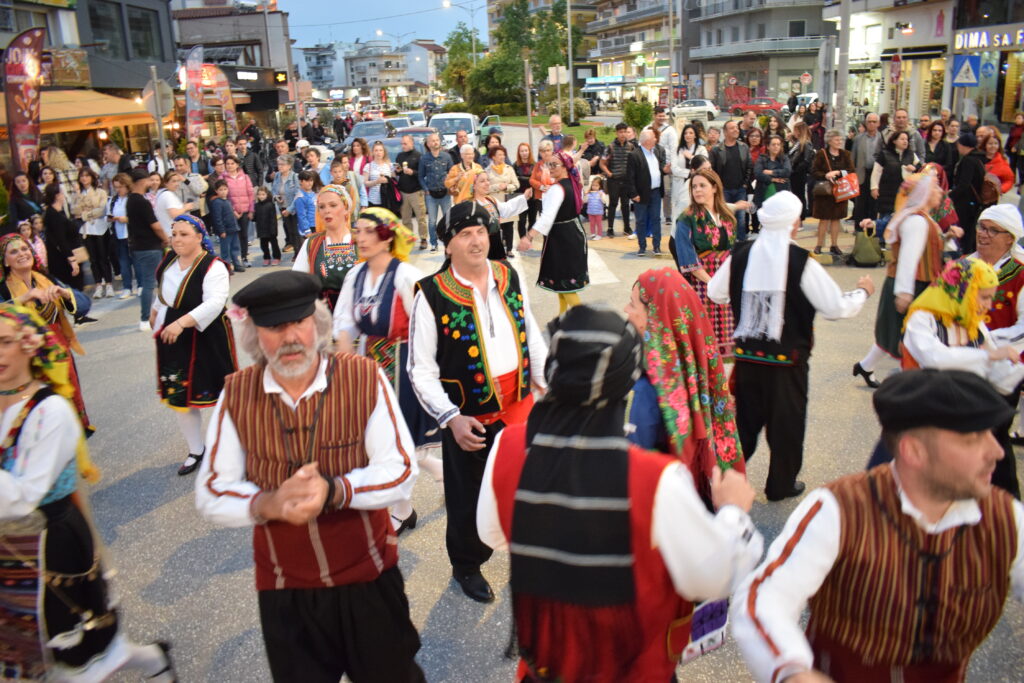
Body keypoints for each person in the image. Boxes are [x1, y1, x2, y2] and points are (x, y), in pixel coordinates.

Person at [477, 304, 762, 682]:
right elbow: (712, 577)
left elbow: (492, 534)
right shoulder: (658, 480)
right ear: (625, 384)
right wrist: (734, 512)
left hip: (545, 667)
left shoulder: (507, 447)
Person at [196, 270, 423, 683]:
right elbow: (211, 491)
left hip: (368, 580)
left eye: (299, 322)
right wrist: (267, 503)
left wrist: (335, 490)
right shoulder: (237, 392)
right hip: (286, 590)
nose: (289, 338)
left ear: (316, 323)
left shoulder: (362, 376)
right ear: (254, 335)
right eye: (273, 328)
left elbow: (401, 469)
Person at [732, 368, 1024, 682]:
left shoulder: (1006, 518)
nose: (996, 452)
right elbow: (765, 598)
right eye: (972, 439)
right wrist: (794, 672)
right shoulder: (839, 508)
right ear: (914, 451)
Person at [0, 303, 176, 682]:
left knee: (75, 654)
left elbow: (24, 496)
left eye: (5, 342)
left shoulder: (50, 411)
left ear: (29, 346)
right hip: (9, 544)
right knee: (34, 652)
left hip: (49, 543)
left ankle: (150, 660)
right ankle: (151, 660)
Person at [409, 201, 548, 603]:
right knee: (469, 498)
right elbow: (420, 370)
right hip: (469, 419)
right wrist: (451, 418)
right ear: (448, 244)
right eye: (465, 234)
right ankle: (467, 565)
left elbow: (530, 334)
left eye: (482, 232)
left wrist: (548, 388)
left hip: (519, 407)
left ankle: (526, 554)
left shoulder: (508, 274)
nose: (476, 241)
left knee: (524, 487)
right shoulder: (431, 294)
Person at [708, 191, 874, 500]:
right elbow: (836, 308)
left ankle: (722, 480)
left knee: (744, 424)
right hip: (788, 363)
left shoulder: (741, 254)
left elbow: (715, 293)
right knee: (787, 426)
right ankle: (780, 485)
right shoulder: (800, 262)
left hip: (748, 358)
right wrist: (862, 292)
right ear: (793, 224)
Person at [333, 207, 441, 533]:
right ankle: (437, 473)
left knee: (394, 441)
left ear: (387, 236)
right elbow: (345, 323)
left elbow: (426, 327)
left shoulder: (406, 276)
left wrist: (427, 375)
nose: (360, 238)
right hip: (368, 363)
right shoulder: (356, 275)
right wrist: (344, 365)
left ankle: (402, 510)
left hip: (403, 366)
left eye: (369, 231)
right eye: (358, 231)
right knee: (380, 439)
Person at [899, 257, 1024, 497]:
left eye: (990, 298)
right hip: (925, 421)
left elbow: (997, 379)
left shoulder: (973, 323)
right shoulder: (922, 319)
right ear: (963, 290)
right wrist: (987, 356)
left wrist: (1015, 369)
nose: (988, 305)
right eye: (984, 297)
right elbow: (934, 358)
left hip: (962, 420)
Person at [150, 215, 235, 476]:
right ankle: (196, 450)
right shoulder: (169, 261)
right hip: (173, 338)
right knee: (180, 395)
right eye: (174, 234)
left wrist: (181, 323)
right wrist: (155, 312)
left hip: (207, 337)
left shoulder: (213, 266)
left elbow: (215, 302)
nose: (177, 239)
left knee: (221, 394)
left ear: (199, 237)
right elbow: (162, 293)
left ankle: (232, 447)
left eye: (184, 234)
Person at [853, 171, 946, 386]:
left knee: (896, 332)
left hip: (915, 283)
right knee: (907, 337)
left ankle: (866, 367)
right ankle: (909, 386)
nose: (940, 191)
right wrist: (904, 293)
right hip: (912, 284)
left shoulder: (920, 217)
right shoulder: (917, 221)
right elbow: (908, 259)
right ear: (923, 193)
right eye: (934, 188)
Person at [0, 233, 94, 433]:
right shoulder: (4, 290)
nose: (22, 254)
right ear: (5, 261)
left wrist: (65, 293)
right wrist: (23, 299)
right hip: (26, 361)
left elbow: (85, 306)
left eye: (25, 249)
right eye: (14, 252)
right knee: (38, 415)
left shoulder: (47, 280)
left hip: (59, 354)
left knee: (65, 405)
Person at [972, 204, 1024, 491]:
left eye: (993, 230)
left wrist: (987, 343)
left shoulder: (1020, 274)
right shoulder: (963, 266)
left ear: (1010, 239)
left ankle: (1007, 501)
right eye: (982, 227)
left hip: (1004, 369)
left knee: (993, 437)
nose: (984, 234)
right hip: (964, 365)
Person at [673, 168, 747, 358]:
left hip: (725, 280)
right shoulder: (686, 218)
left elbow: (732, 250)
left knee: (727, 332)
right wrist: (712, 283)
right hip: (701, 283)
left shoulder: (727, 216)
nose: (697, 190)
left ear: (714, 188)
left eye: (702, 186)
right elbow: (688, 259)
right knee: (703, 338)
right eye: (694, 187)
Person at [519, 150, 589, 312]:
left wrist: (529, 236)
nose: (550, 168)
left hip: (563, 238)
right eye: (549, 164)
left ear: (565, 167)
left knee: (565, 283)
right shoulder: (573, 183)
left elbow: (547, 217)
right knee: (562, 282)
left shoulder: (557, 189)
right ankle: (561, 317)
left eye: (554, 165)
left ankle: (584, 320)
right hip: (573, 233)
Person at [292, 184, 358, 309]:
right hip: (324, 314)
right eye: (321, 207)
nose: (326, 210)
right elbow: (297, 282)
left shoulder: (360, 239)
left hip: (357, 312)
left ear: (346, 208)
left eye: (333, 205)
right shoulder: (312, 243)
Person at [810, 128, 856, 256]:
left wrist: (838, 172)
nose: (839, 142)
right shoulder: (821, 154)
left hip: (840, 190)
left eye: (841, 139)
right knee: (823, 219)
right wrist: (825, 175)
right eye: (836, 140)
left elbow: (851, 170)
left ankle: (834, 245)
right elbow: (814, 171)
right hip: (825, 191)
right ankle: (819, 245)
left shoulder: (846, 154)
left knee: (836, 218)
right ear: (829, 141)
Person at [624, 129, 670, 256]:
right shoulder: (634, 155)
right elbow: (630, 177)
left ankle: (657, 246)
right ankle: (642, 247)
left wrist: (665, 170)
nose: (656, 139)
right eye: (653, 137)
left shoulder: (657, 152)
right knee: (641, 220)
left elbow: (659, 170)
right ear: (647, 141)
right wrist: (633, 194)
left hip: (655, 192)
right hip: (641, 194)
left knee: (656, 219)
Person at [74, 168, 114, 299]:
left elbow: (101, 210)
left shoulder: (100, 192)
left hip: (100, 227)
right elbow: (75, 211)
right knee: (93, 259)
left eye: (87, 176)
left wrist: (86, 214)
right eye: (82, 176)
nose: (84, 178)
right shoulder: (78, 194)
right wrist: (86, 212)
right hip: (86, 229)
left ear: (92, 177)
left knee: (103, 258)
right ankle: (98, 284)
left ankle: (109, 284)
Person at [710, 121, 753, 241]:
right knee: (725, 217)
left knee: (741, 219)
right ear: (725, 132)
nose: (736, 130)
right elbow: (712, 170)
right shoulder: (716, 150)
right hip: (723, 190)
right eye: (732, 128)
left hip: (740, 189)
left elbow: (749, 166)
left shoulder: (743, 147)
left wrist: (745, 184)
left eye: (737, 128)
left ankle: (741, 244)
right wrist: (717, 187)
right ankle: (726, 243)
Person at [41, 184, 85, 295]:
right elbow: (61, 240)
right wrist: (72, 260)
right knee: (73, 290)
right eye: (62, 193)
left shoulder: (59, 212)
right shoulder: (53, 215)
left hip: (69, 253)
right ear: (57, 196)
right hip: (63, 259)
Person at [872, 129, 922, 225]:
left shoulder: (911, 154)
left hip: (905, 192)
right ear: (894, 141)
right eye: (902, 139)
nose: (905, 141)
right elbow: (876, 171)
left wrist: (914, 167)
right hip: (887, 191)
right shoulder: (884, 154)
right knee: (885, 218)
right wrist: (874, 187)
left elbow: (920, 167)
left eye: (906, 139)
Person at [951, 132, 988, 254]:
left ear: (964, 145)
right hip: (974, 202)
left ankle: (962, 256)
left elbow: (964, 184)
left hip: (966, 203)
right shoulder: (979, 158)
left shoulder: (968, 161)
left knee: (964, 233)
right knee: (969, 232)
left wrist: (950, 195)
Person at [419, 132, 454, 253]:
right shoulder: (424, 158)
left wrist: (450, 186)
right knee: (432, 221)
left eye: (437, 140)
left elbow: (452, 173)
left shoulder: (447, 157)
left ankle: (448, 243)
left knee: (447, 220)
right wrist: (426, 189)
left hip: (445, 194)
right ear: (428, 144)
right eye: (432, 141)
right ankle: (434, 244)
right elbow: (420, 176)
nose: (435, 142)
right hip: (431, 195)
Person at [600, 122, 635, 237]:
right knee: (613, 203)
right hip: (614, 180)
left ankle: (627, 227)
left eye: (625, 132)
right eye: (620, 132)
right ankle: (610, 228)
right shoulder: (610, 147)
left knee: (625, 204)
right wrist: (609, 174)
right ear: (616, 133)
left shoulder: (631, 146)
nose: (623, 134)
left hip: (626, 181)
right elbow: (602, 163)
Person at [484, 146, 520, 258]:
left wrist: (507, 187)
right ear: (493, 157)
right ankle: (497, 250)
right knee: (495, 227)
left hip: (507, 200)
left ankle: (509, 249)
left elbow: (516, 184)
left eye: (503, 154)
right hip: (494, 201)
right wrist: (496, 187)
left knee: (509, 226)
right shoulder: (487, 170)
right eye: (499, 154)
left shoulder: (509, 169)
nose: (502, 157)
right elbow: (485, 188)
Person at [644, 106, 678, 223]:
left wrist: (672, 164)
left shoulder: (670, 130)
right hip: (650, 165)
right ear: (654, 116)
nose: (662, 118)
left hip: (666, 164)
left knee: (667, 191)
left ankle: (668, 215)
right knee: (651, 189)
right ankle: (652, 214)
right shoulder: (647, 129)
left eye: (663, 116)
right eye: (659, 116)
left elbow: (674, 147)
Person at [850, 113, 883, 225]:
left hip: (877, 175)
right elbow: (853, 157)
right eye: (869, 121)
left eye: (874, 122)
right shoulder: (858, 139)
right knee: (860, 204)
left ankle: (871, 229)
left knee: (874, 204)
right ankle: (859, 228)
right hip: (862, 174)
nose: (871, 124)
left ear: (878, 123)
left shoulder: (882, 138)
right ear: (865, 123)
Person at [394, 135, 427, 249]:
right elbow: (398, 172)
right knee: (406, 219)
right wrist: (397, 171)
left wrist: (412, 172)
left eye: (405, 143)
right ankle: (409, 238)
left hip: (416, 191)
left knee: (420, 218)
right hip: (403, 191)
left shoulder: (419, 156)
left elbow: (423, 173)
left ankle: (423, 239)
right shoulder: (400, 156)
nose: (403, 146)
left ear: (412, 143)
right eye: (402, 144)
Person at [223, 155, 255, 268]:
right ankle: (234, 258)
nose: (230, 166)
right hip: (231, 212)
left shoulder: (245, 177)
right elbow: (224, 197)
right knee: (232, 236)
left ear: (237, 164)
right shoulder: (223, 178)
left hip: (245, 211)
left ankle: (244, 257)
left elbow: (250, 194)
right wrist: (233, 211)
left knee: (244, 235)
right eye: (228, 164)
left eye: (232, 163)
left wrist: (251, 210)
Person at [672, 124, 708, 220]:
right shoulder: (677, 149)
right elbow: (674, 169)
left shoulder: (701, 149)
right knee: (680, 214)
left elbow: (704, 166)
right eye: (685, 133)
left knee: (698, 213)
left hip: (697, 185)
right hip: (680, 185)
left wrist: (691, 157)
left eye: (691, 133)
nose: (688, 135)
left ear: (695, 135)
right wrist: (690, 173)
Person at [107, 173, 135, 299]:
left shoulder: (132, 198)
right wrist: (112, 218)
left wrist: (127, 219)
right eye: (116, 187)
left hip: (132, 234)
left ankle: (141, 285)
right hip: (118, 235)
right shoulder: (113, 200)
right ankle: (127, 287)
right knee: (124, 263)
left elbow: (138, 216)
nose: (118, 190)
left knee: (136, 261)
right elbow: (108, 215)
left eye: (120, 187)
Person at [210, 180, 244, 273]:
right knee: (226, 250)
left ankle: (237, 264)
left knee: (235, 248)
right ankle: (227, 267)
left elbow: (232, 212)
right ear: (216, 191)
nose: (223, 191)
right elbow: (217, 218)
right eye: (220, 190)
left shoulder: (228, 201)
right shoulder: (217, 202)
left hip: (233, 228)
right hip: (225, 231)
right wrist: (221, 231)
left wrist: (237, 217)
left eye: (225, 189)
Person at [271, 153, 301, 256]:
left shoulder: (294, 177)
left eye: (282, 164)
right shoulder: (277, 176)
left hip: (294, 208)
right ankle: (296, 252)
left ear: (289, 166)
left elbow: (298, 194)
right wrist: (276, 197)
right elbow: (274, 189)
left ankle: (298, 253)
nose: (280, 167)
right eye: (279, 164)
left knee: (296, 232)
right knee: (290, 231)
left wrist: (290, 209)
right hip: (282, 207)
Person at [753, 134, 791, 211]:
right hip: (764, 192)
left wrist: (771, 172)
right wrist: (772, 179)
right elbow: (757, 173)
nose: (776, 146)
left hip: (781, 192)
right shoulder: (762, 158)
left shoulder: (784, 158)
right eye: (773, 144)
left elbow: (787, 171)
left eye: (778, 144)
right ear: (768, 146)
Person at [787, 121, 815, 218]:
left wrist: (795, 170)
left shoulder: (806, 143)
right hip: (794, 173)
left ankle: (801, 215)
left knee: (799, 194)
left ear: (800, 131)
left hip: (799, 173)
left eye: (795, 130)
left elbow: (806, 160)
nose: (793, 132)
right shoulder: (797, 143)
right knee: (796, 194)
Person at [513, 142, 538, 239]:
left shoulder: (535, 165)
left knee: (532, 220)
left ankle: (529, 239)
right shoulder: (515, 165)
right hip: (521, 196)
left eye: (526, 150)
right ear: (519, 153)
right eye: (522, 151)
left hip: (533, 196)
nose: (524, 153)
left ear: (529, 151)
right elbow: (514, 181)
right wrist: (529, 180)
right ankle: (522, 239)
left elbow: (537, 180)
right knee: (521, 221)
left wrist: (521, 178)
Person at [254, 186, 280, 266]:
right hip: (261, 229)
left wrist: (274, 230)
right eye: (259, 194)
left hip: (270, 230)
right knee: (263, 245)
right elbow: (255, 218)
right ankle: (266, 257)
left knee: (274, 245)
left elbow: (273, 219)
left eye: (263, 194)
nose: (261, 196)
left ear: (267, 195)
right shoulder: (256, 205)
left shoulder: (271, 205)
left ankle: (276, 257)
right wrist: (252, 217)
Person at [363, 141, 394, 209]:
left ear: (384, 152)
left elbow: (394, 181)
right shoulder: (368, 166)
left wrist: (388, 180)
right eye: (376, 150)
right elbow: (365, 183)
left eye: (380, 150)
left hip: (387, 200)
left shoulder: (389, 165)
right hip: (373, 201)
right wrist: (376, 182)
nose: (378, 152)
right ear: (373, 152)